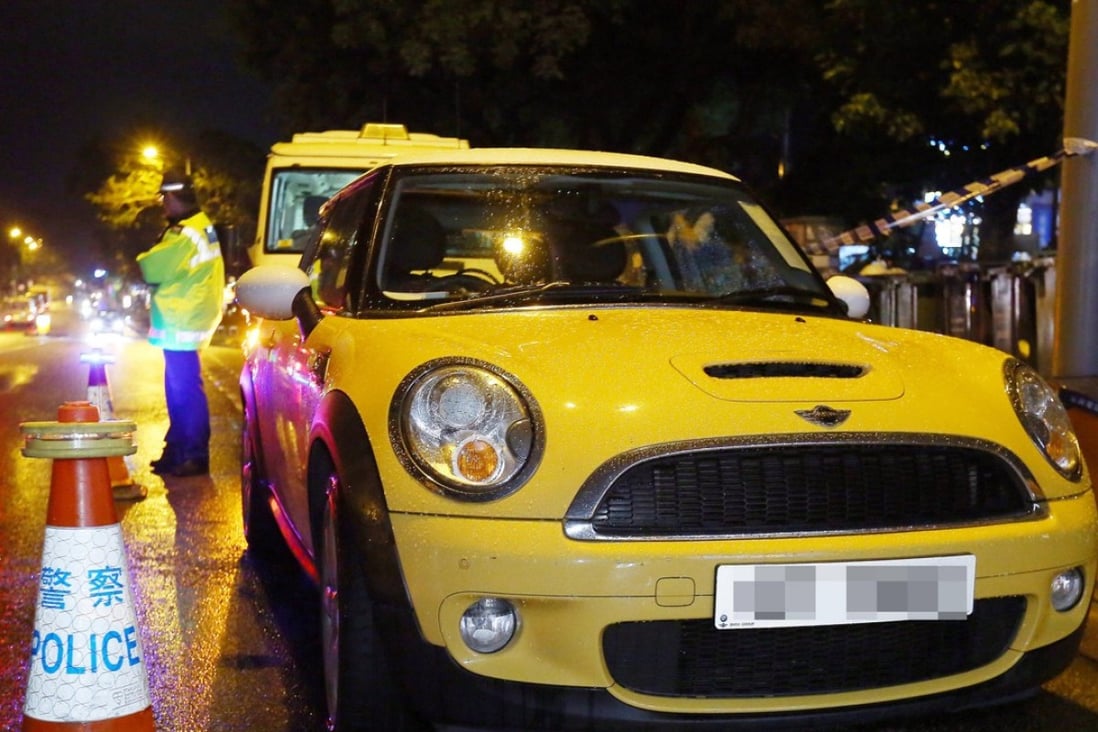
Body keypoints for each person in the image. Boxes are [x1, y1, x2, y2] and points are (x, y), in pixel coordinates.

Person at [137, 169, 225, 477]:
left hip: (181, 319)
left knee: (184, 389)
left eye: (164, 198)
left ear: (173, 197)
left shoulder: (184, 233)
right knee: (180, 388)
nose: (163, 204)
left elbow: (150, 267)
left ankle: (192, 454)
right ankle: (178, 450)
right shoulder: (201, 227)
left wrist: (147, 253)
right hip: (189, 317)